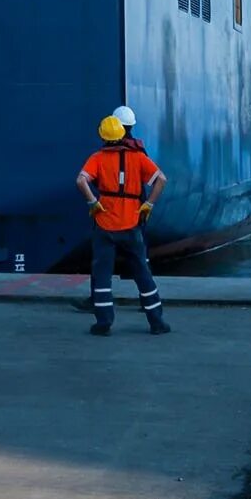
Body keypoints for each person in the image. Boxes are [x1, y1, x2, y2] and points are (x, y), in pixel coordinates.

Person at [75, 108, 170, 336]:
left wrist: (92, 202)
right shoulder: (139, 157)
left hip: (105, 225)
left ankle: (104, 322)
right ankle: (156, 322)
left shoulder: (97, 158)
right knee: (142, 273)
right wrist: (149, 205)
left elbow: (81, 180)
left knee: (102, 275)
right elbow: (161, 179)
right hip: (131, 224)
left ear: (103, 136)